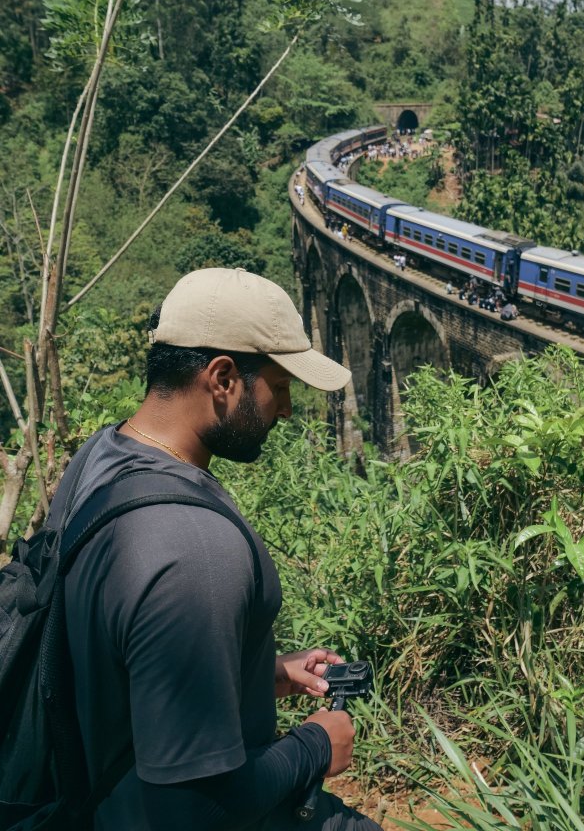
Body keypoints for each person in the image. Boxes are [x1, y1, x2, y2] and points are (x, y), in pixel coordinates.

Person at [50, 268, 382, 831]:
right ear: (223, 378)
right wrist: (314, 747)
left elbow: (121, 659)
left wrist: (257, 673)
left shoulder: (98, 461)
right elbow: (192, 811)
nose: (287, 409)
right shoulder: (193, 548)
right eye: (279, 386)